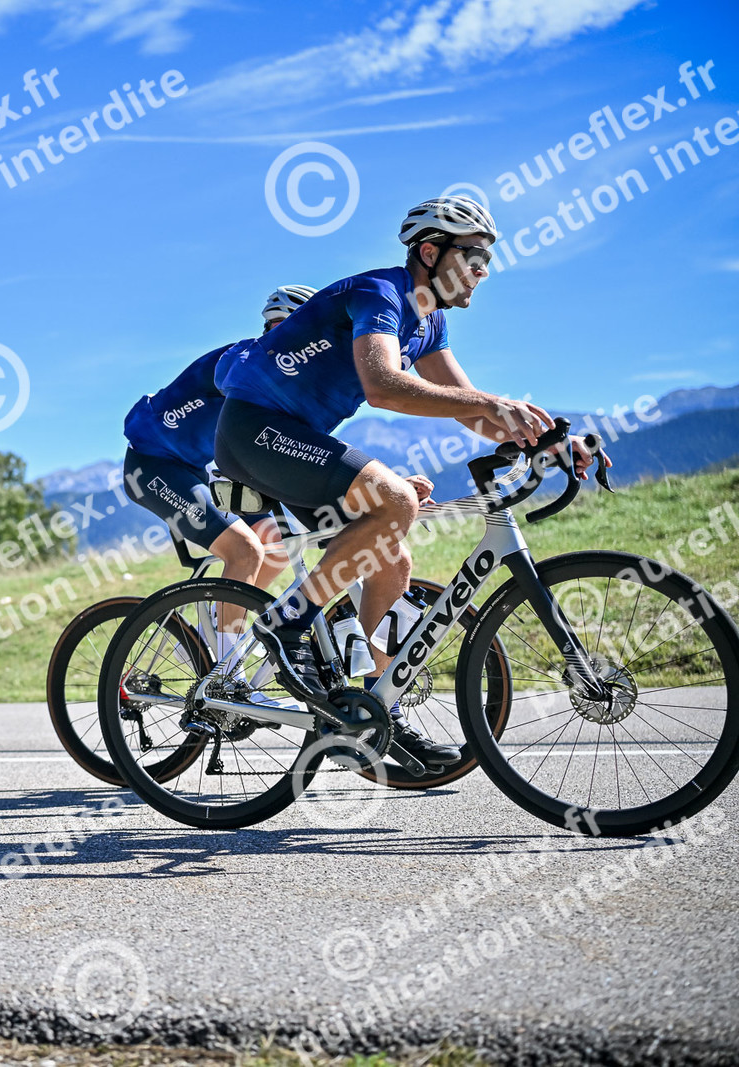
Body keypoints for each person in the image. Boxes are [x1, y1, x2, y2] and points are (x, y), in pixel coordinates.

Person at [212, 196, 607, 767]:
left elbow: (468, 409)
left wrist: (547, 441)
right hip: (255, 429)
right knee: (395, 500)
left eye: (487, 260)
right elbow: (383, 385)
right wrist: (492, 404)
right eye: (473, 257)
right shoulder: (381, 294)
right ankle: (287, 622)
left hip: (294, 439)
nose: (483, 271)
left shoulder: (430, 321)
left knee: (392, 560)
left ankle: (370, 709)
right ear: (429, 252)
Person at [121, 286, 318, 606]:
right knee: (245, 551)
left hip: (195, 469)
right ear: (273, 328)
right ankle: (226, 639)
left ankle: (223, 622)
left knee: (276, 547)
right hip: (151, 467)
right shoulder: (243, 362)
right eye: (284, 327)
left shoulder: (284, 380)